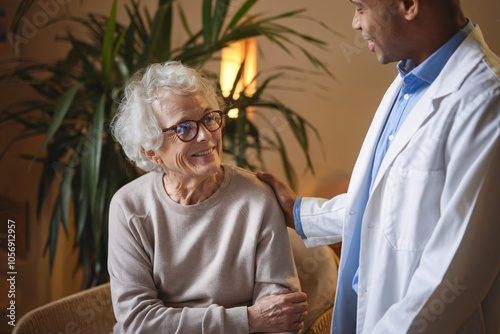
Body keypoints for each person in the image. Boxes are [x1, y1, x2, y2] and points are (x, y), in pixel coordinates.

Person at [258, 0, 500, 332]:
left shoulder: (487, 100)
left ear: (409, 5)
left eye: (360, 8)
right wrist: (299, 213)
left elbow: (458, 268)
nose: (355, 23)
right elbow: (385, 202)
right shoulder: (410, 82)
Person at [108, 61, 308, 333]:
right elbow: (138, 322)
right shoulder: (129, 206)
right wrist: (247, 319)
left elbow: (280, 319)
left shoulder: (257, 198)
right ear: (152, 152)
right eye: (183, 128)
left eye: (208, 118)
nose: (206, 136)